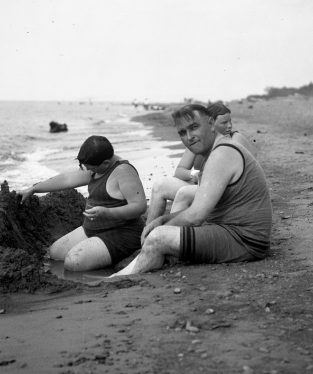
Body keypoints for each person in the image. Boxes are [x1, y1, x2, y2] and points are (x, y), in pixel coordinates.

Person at [112, 104, 272, 275]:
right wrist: (162, 219)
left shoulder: (222, 154)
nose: (189, 137)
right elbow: (203, 207)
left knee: (158, 238)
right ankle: (151, 259)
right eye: (182, 132)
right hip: (235, 232)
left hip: (244, 240)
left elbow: (196, 216)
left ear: (211, 124)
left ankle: (115, 280)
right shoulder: (215, 151)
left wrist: (161, 229)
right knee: (161, 231)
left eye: (194, 127)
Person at [17, 136, 146, 271]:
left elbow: (139, 206)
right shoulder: (97, 165)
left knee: (73, 262)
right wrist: (34, 189)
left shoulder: (123, 171)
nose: (88, 171)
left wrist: (107, 213)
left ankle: (110, 267)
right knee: (55, 253)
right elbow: (66, 179)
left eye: (91, 168)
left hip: (123, 233)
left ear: (106, 163)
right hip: (93, 229)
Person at [146, 101, 256, 221]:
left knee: (184, 193)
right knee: (160, 186)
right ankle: (146, 233)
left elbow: (248, 173)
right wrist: (194, 174)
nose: (229, 126)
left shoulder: (235, 139)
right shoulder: (198, 141)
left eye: (230, 121)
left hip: (226, 192)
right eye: (224, 122)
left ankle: (173, 233)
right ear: (210, 123)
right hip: (202, 186)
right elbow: (179, 171)